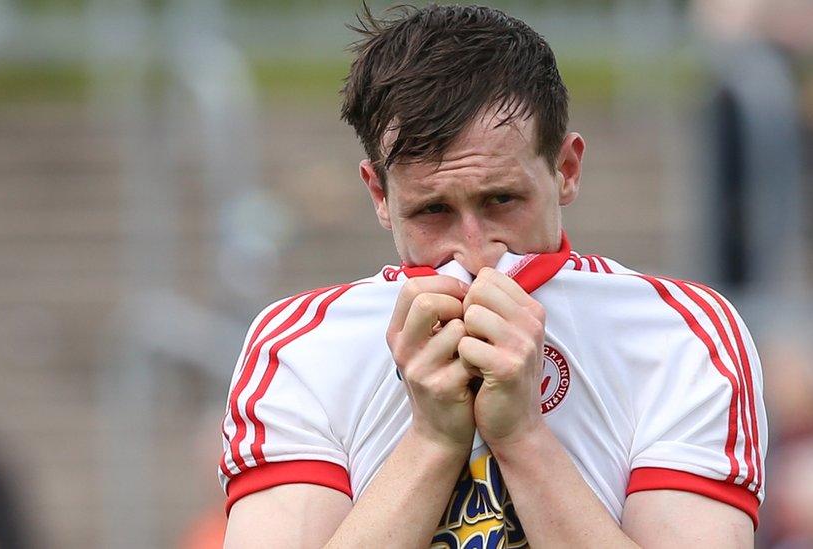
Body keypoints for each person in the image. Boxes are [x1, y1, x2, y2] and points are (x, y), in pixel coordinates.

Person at [220, 5, 766, 547]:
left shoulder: (680, 334)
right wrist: (432, 439)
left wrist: (523, 437)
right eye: (432, 211)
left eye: (502, 200)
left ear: (566, 170)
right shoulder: (298, 345)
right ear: (380, 195)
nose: (475, 250)